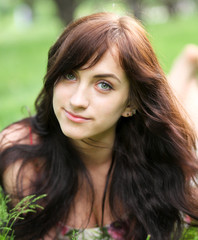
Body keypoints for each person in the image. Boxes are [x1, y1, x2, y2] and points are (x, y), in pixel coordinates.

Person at [0, 12, 198, 240]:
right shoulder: (23, 154)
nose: (77, 101)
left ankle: (187, 65)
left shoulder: (164, 158)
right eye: (69, 75)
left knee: (187, 118)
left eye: (104, 85)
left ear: (131, 103)